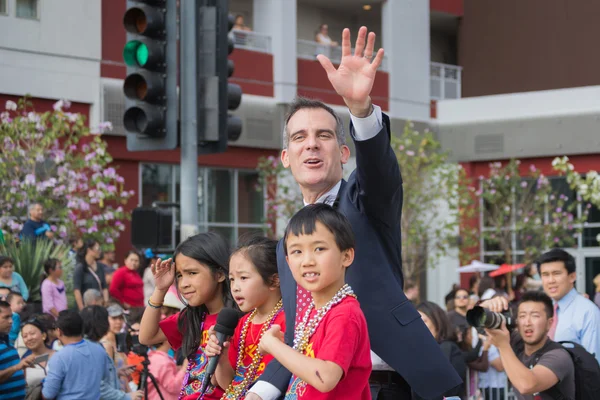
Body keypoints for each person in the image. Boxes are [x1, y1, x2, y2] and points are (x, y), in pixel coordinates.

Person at [249, 26, 461, 400]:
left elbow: (380, 170)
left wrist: (360, 109)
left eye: (324, 135)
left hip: (395, 385)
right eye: (299, 137)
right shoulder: (289, 243)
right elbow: (301, 331)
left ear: (344, 154)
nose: (311, 144)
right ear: (286, 158)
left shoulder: (365, 201)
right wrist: (261, 392)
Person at [257, 204, 371, 398]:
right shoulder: (314, 311)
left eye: (319, 248)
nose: (307, 261)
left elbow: (325, 378)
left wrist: (273, 345)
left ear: (346, 256)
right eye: (297, 252)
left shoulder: (345, 314)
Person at [139, 232, 235, 400]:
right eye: (179, 275)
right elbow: (147, 336)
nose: (184, 284)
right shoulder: (192, 317)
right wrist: (160, 290)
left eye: (192, 273)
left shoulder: (238, 319)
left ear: (219, 274)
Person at [205, 235, 285, 398]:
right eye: (232, 279)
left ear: (274, 280)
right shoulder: (242, 323)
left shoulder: (286, 322)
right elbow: (230, 385)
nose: (235, 287)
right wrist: (221, 357)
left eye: (243, 278)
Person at [481, 291, 576, 400]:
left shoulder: (558, 356)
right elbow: (479, 325)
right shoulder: (517, 343)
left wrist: (503, 346)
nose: (527, 322)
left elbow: (527, 385)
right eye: (522, 316)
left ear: (549, 323)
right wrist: (486, 306)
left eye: (535, 316)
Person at [537, 248, 600, 363]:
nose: (550, 280)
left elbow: (594, 364)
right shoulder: (542, 309)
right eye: (545, 275)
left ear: (572, 276)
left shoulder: (588, 312)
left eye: (556, 274)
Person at [41, 310, 111, 400]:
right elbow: (105, 377)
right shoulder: (99, 349)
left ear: (59, 331)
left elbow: (48, 394)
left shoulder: (59, 357)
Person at [81, 305, 143, 400]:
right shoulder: (101, 347)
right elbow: (100, 384)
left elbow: (105, 374)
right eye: (113, 318)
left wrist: (117, 372)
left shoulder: (115, 341)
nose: (118, 322)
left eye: (120, 318)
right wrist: (126, 396)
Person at [416, 301, 466, 399]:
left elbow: (450, 388)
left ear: (436, 321)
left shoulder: (448, 348)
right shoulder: (418, 351)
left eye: (423, 321)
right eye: (416, 321)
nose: (418, 325)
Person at [0, 300, 34, 400]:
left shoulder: (9, 344)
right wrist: (17, 367)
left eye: (11, 316)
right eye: (6, 317)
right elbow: (15, 368)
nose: (11, 321)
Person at [73, 239, 109, 310]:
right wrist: (82, 309)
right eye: (97, 249)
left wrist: (106, 303)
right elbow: (77, 290)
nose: (100, 251)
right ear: (89, 250)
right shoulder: (80, 268)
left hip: (99, 305)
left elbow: (104, 287)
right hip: (86, 306)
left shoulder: (100, 266)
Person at [20, 317, 54, 392]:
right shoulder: (24, 363)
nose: (29, 338)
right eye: (25, 336)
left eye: (32, 334)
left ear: (43, 336)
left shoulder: (58, 356)